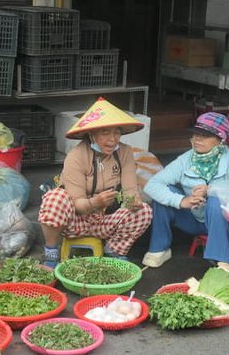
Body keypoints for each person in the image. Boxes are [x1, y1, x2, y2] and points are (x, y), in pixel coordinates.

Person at [37, 97, 152, 268]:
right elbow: (77, 203)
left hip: (106, 221)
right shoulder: (76, 156)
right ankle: (51, 253)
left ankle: (114, 251)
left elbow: (130, 189)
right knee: (55, 198)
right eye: (105, 133)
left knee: (144, 211)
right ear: (91, 134)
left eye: (117, 132)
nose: (113, 139)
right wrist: (94, 203)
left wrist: (133, 200)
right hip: (75, 222)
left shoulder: (125, 152)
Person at [142, 112, 229, 271]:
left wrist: (211, 190)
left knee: (215, 199)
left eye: (205, 135)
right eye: (196, 134)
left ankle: (223, 259)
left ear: (220, 139)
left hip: (225, 223)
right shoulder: (186, 159)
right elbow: (152, 185)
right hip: (193, 219)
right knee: (163, 195)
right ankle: (159, 249)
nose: (198, 139)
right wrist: (180, 201)